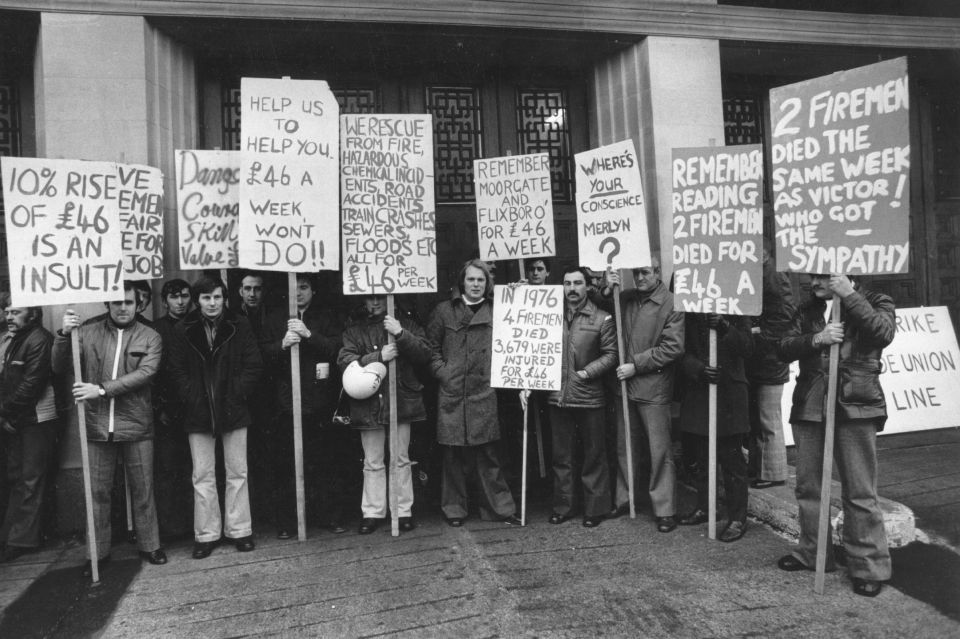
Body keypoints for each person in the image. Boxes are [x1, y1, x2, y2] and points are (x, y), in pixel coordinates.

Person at [776, 273, 894, 597]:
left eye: (821, 275)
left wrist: (851, 298)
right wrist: (817, 339)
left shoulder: (876, 301)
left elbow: (883, 333)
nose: (813, 281)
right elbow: (783, 347)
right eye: (811, 274)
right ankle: (813, 552)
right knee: (809, 486)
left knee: (859, 489)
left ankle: (868, 565)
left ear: (845, 274)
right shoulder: (806, 310)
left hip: (856, 406)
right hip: (811, 406)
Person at [52, 281, 166, 576]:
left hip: (136, 423)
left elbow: (145, 373)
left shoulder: (150, 335)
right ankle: (97, 552)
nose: (123, 308)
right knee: (98, 491)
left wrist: (101, 390)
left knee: (143, 488)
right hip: (97, 424)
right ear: (107, 304)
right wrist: (64, 334)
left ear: (138, 303)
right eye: (117, 303)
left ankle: (150, 544)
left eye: (129, 302)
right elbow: (58, 364)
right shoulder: (87, 331)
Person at [167, 275, 263, 559]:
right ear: (198, 301)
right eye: (207, 298)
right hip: (198, 411)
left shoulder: (239, 325)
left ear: (225, 298)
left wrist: (235, 394)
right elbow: (176, 370)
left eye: (218, 297)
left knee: (237, 471)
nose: (212, 303)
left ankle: (240, 530)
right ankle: (206, 534)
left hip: (233, 408)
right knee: (203, 474)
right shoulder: (184, 329)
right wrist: (194, 397)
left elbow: (253, 364)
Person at [426, 259, 520, 526]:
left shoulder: (498, 309)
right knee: (452, 456)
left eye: (481, 280)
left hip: (484, 392)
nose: (476, 284)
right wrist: (443, 373)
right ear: (462, 282)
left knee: (488, 455)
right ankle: (454, 510)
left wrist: (521, 295)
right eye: (471, 279)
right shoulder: (444, 311)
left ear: (487, 284)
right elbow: (430, 347)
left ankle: (500, 509)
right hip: (453, 392)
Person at [338, 295, 433, 534]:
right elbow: (345, 360)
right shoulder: (354, 330)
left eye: (379, 298)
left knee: (401, 457)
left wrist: (400, 333)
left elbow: (424, 353)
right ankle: (372, 511)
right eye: (370, 299)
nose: (375, 303)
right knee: (372, 460)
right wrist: (379, 357)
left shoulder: (407, 324)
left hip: (401, 400)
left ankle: (402, 511)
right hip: (368, 404)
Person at [262, 274, 344, 539]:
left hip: (319, 402)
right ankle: (287, 521)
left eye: (304, 287)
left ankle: (327, 516)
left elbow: (337, 349)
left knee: (323, 461)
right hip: (286, 403)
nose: (298, 292)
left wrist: (309, 335)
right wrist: (282, 345)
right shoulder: (275, 317)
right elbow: (262, 355)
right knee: (286, 464)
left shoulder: (326, 316)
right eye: (294, 288)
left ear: (313, 291)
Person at [605, 258, 684, 532]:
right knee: (624, 448)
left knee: (659, 452)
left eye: (645, 272)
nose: (639, 277)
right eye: (635, 272)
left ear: (658, 272)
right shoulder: (625, 298)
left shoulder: (671, 302)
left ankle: (664, 510)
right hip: (625, 388)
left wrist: (636, 364)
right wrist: (608, 287)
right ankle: (625, 499)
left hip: (653, 389)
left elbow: (673, 347)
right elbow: (602, 310)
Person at [543, 266, 617, 527]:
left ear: (588, 286)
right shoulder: (550, 315)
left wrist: (587, 373)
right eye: (567, 283)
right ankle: (564, 507)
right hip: (558, 395)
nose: (572, 289)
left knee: (593, 455)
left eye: (577, 283)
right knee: (561, 456)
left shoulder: (602, 318)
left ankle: (594, 509)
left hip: (589, 396)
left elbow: (611, 354)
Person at [677, 313, 754, 542]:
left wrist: (724, 326)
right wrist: (699, 369)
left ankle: (738, 517)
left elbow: (748, 347)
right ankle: (706, 506)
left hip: (729, 392)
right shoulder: (691, 310)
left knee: (732, 461)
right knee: (701, 457)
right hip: (700, 390)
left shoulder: (737, 307)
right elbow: (681, 351)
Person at [0, 300, 57, 562]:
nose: (9, 316)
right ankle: (13, 536)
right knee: (17, 475)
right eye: (7, 312)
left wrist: (7, 412)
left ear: (32, 314)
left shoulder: (38, 339)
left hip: (35, 418)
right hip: (18, 418)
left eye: (16, 312)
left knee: (30, 477)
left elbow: (32, 383)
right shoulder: (15, 338)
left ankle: (22, 540)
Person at [745, 243, 796, 488]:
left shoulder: (772, 274)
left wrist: (758, 333)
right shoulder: (765, 271)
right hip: (761, 358)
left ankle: (773, 473)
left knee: (768, 418)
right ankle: (760, 469)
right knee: (760, 417)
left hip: (770, 358)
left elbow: (785, 317)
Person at [151, 278, 193, 540]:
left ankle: (193, 524)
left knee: (195, 468)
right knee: (167, 469)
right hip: (167, 408)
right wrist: (159, 407)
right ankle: (170, 528)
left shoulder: (198, 324)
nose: (180, 302)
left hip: (195, 406)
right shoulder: (157, 330)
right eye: (174, 297)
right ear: (164, 301)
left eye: (185, 296)